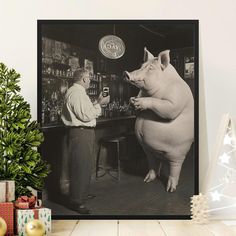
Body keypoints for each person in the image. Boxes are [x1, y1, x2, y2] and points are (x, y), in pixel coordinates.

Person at [61, 68, 110, 214]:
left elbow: (84, 111)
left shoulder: (78, 93)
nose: (90, 80)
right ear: (83, 79)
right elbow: (86, 115)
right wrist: (99, 104)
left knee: (84, 165)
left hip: (83, 133)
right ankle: (77, 201)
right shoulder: (76, 93)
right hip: (81, 133)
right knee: (80, 167)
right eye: (89, 78)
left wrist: (96, 102)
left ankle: (81, 193)